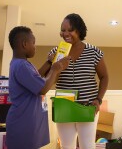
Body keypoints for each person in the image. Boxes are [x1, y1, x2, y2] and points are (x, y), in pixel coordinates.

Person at [49, 13, 109, 149]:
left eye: (70, 30)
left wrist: (99, 99)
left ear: (79, 31)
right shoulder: (57, 52)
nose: (65, 34)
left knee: (87, 146)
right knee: (67, 146)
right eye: (63, 30)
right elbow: (52, 80)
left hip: (87, 108)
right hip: (64, 107)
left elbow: (104, 77)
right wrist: (56, 64)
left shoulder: (93, 52)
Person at [5, 26, 70, 149]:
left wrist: (49, 62)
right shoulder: (21, 66)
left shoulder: (21, 63)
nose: (35, 46)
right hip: (23, 124)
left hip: (27, 123)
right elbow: (42, 88)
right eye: (33, 43)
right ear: (24, 44)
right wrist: (55, 69)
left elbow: (36, 78)